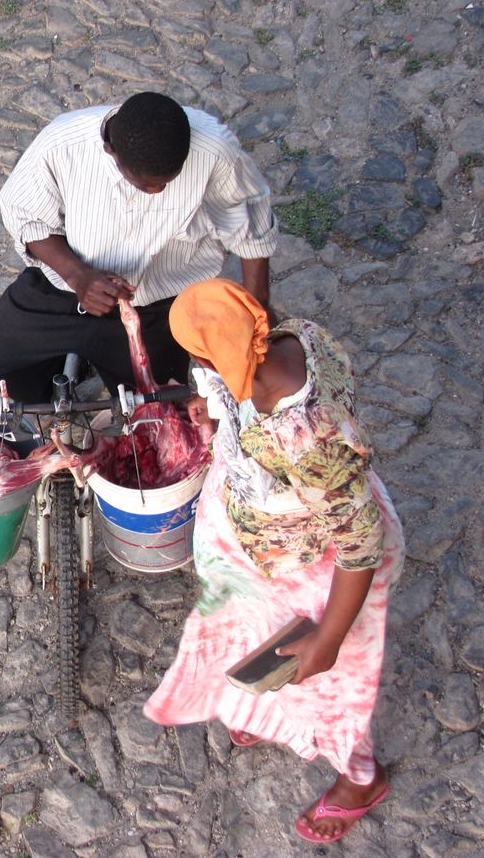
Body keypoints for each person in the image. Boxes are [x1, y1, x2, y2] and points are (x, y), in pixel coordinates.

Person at [143, 278, 405, 845]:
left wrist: (329, 638)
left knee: (326, 680)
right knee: (255, 645)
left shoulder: (304, 436)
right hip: (267, 543)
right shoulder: (293, 337)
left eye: (197, 355)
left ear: (218, 356)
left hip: (316, 566)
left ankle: (360, 778)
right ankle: (268, 708)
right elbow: (240, 393)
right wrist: (214, 408)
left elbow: (362, 541)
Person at [0, 92, 277, 401]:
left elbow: (250, 218)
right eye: (145, 183)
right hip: (66, 288)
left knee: (156, 414)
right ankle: (53, 386)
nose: (156, 191)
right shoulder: (62, 144)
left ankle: (108, 371)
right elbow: (26, 218)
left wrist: (257, 308)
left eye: (168, 181)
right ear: (111, 151)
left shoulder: (215, 151)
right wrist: (78, 275)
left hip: (157, 306)